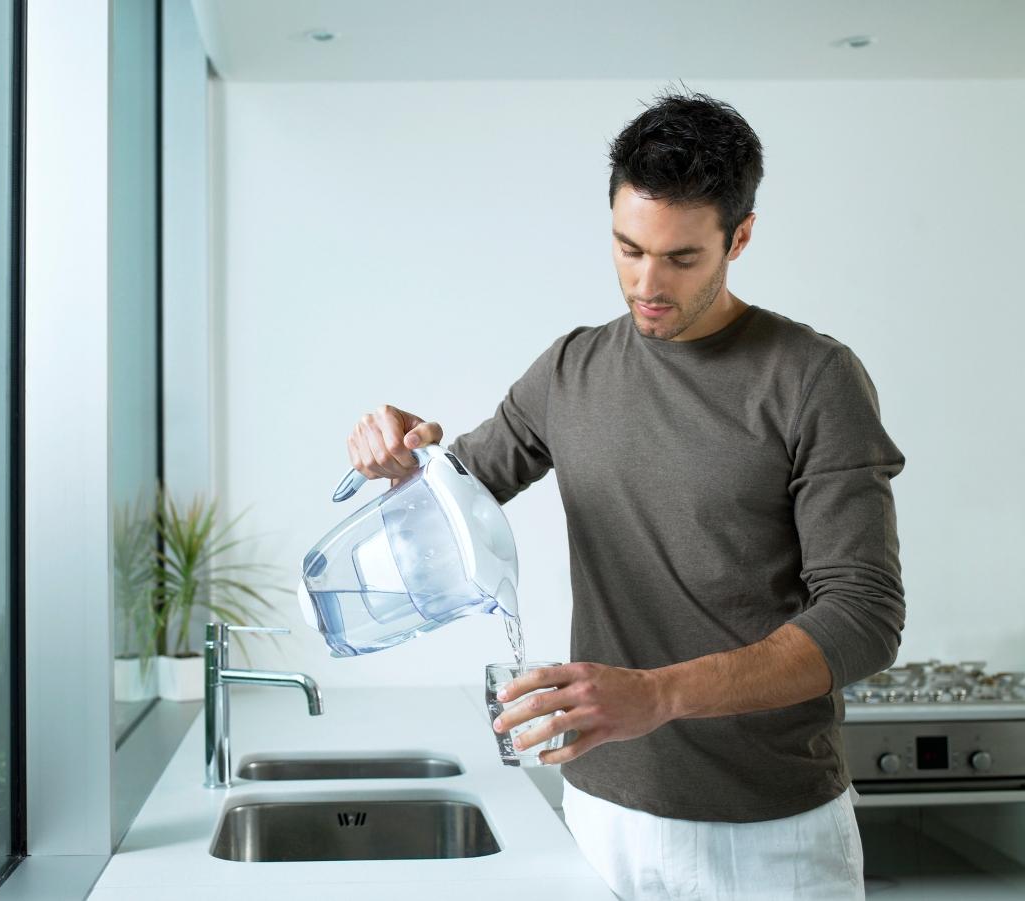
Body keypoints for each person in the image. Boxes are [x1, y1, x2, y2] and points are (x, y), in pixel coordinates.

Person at [343, 89, 903, 900]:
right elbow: (455, 495)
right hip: (601, 819)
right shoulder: (572, 369)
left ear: (739, 237)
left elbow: (865, 617)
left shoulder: (813, 378)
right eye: (628, 247)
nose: (648, 282)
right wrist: (404, 460)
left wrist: (659, 693)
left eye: (682, 258)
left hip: (771, 836)